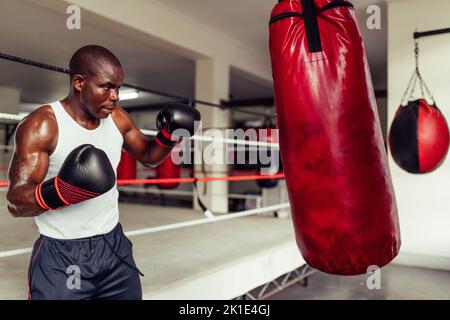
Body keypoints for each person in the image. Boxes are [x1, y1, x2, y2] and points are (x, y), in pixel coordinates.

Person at [6, 45, 200, 300]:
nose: (115, 96)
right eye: (107, 87)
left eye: (118, 88)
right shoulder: (43, 125)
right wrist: (61, 192)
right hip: (61, 254)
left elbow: (149, 157)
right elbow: (15, 201)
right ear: (79, 82)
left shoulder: (118, 119)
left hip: (113, 246)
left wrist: (168, 136)